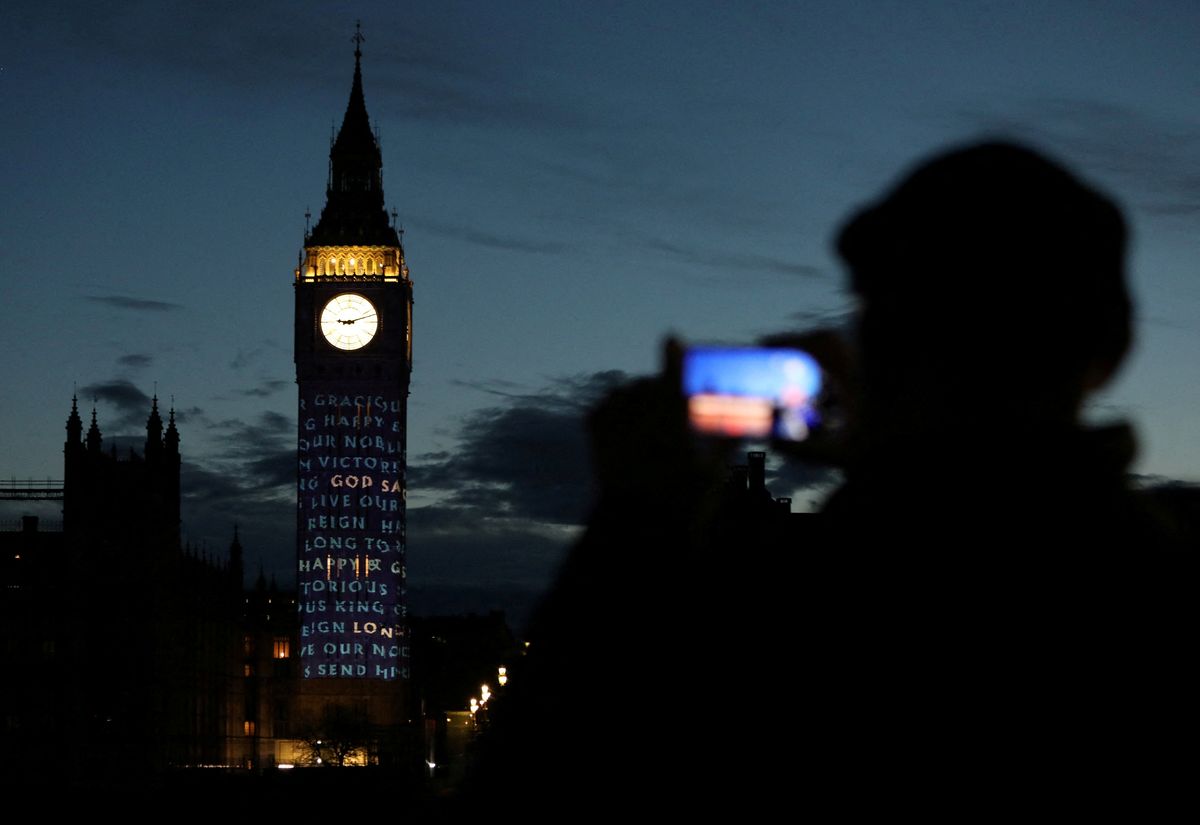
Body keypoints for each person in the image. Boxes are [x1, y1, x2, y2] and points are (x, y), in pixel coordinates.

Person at [460, 142, 1192, 815]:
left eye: (879, 310)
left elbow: (532, 798)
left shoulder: (827, 587)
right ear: (1111, 349)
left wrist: (632, 525)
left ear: (880, 342)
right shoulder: (1149, 573)